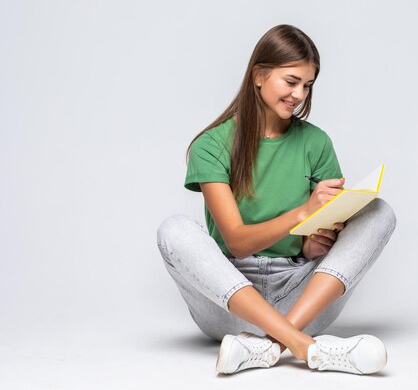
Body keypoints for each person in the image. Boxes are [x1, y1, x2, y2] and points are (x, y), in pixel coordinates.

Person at [156, 24, 397, 375]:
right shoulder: (211, 145)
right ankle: (303, 346)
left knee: (379, 212)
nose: (299, 94)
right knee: (173, 228)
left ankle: (269, 347)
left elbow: (314, 240)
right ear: (259, 75)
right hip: (230, 303)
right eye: (291, 81)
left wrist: (313, 245)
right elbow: (237, 243)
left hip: (301, 300)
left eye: (308, 85)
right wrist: (303, 211)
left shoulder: (316, 143)